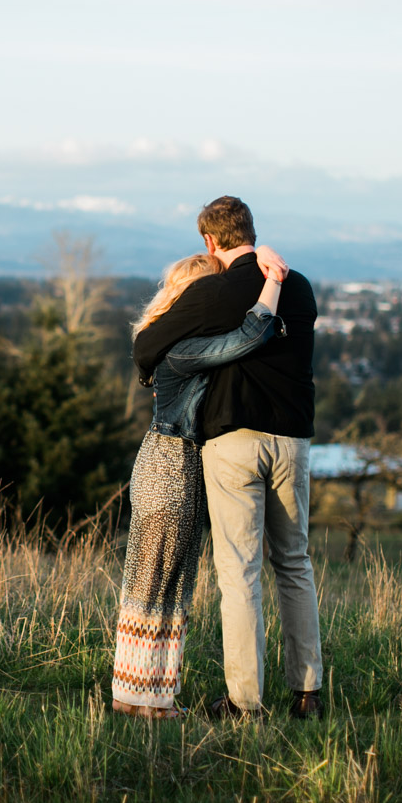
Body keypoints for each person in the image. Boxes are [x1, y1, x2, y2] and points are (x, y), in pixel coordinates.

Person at [133, 196, 323, 722]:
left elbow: (147, 347)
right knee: (295, 563)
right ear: (252, 231)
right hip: (294, 440)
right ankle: (307, 692)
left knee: (239, 574)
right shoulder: (299, 286)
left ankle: (244, 702)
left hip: (233, 440)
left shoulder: (214, 292)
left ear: (209, 242)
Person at [111, 248, 286, 719]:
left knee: (164, 583)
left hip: (167, 463)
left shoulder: (169, 346)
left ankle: (145, 697)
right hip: (171, 466)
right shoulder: (184, 351)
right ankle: (141, 699)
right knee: (157, 584)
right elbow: (250, 334)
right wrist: (273, 279)